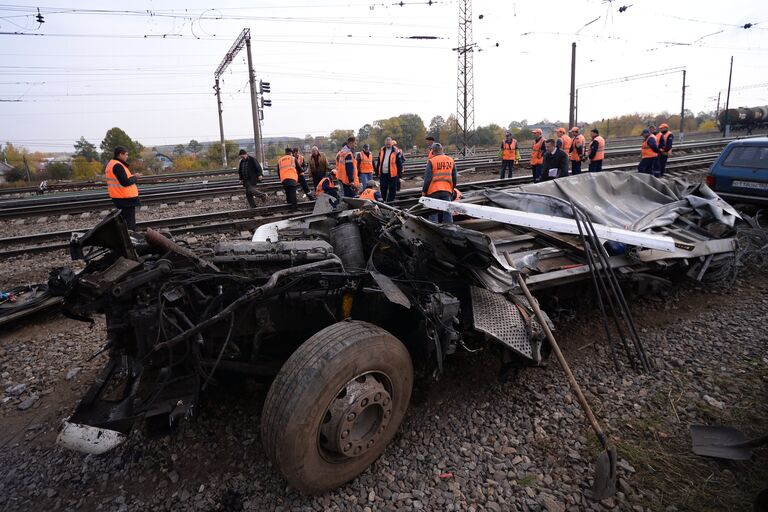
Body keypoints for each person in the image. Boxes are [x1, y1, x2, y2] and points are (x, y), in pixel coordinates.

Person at [105, 145, 141, 230]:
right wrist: (135, 177)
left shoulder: (111, 164)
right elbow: (125, 182)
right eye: (126, 155)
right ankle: (130, 239)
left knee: (125, 221)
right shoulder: (118, 165)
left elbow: (122, 179)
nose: (127, 157)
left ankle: (127, 237)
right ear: (121, 154)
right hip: (125, 198)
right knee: (129, 223)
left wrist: (132, 177)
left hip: (120, 197)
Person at [423, 143, 457, 224]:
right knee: (447, 211)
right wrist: (452, 188)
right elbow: (454, 177)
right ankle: (449, 229)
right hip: (447, 190)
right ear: (442, 150)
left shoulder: (431, 161)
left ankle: (433, 229)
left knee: (433, 212)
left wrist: (424, 191)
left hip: (433, 191)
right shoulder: (450, 160)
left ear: (433, 151)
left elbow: (427, 179)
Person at [375, 136, 404, 202]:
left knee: (392, 189)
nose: (388, 145)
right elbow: (379, 161)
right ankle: (383, 201)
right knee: (383, 188)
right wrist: (377, 171)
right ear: (385, 143)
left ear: (391, 143)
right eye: (387, 144)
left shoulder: (396, 151)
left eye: (389, 144)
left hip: (392, 174)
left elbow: (399, 163)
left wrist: (400, 173)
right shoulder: (382, 150)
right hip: (383, 173)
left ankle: (390, 202)